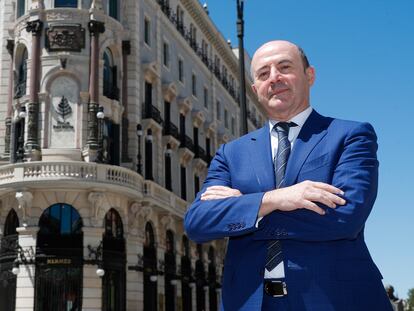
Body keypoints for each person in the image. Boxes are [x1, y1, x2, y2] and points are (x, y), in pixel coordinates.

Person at [184, 40, 393, 311]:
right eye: (263, 73)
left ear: (310, 75)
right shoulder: (230, 154)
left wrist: (246, 211)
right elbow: (198, 223)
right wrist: (276, 198)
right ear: (254, 88)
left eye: (284, 67)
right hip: (249, 302)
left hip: (334, 298)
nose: (274, 78)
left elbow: (345, 218)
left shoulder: (351, 136)